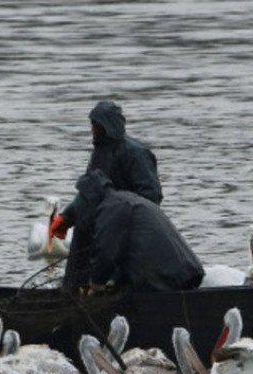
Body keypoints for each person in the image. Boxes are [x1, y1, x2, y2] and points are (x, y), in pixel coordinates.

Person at [50, 101, 162, 288]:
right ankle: (76, 290)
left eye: (97, 125)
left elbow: (152, 196)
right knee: (79, 265)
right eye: (92, 125)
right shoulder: (98, 153)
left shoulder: (136, 153)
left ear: (108, 126)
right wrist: (66, 217)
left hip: (125, 225)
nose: (93, 130)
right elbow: (89, 192)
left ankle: (107, 288)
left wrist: (125, 216)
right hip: (98, 222)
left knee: (113, 266)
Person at [72, 169, 204, 294]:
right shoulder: (128, 198)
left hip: (167, 279)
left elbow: (106, 252)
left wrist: (96, 284)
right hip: (188, 272)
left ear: (90, 196)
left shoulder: (111, 208)